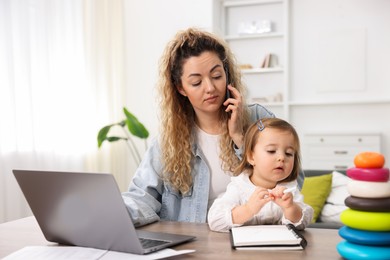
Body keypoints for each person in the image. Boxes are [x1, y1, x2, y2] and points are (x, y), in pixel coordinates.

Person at [122, 27, 304, 227]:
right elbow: (141, 196)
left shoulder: (259, 120)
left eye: (217, 76)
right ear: (181, 88)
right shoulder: (170, 139)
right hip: (194, 241)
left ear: (227, 74)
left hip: (253, 237)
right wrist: (110, 215)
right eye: (196, 82)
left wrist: (240, 140)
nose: (210, 88)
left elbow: (294, 179)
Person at [208, 118, 314, 232]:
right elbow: (215, 221)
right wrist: (248, 209)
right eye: (271, 151)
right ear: (251, 157)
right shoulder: (239, 187)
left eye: (289, 153)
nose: (282, 158)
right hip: (244, 247)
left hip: (280, 248)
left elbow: (304, 223)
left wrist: (290, 208)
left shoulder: (289, 189)